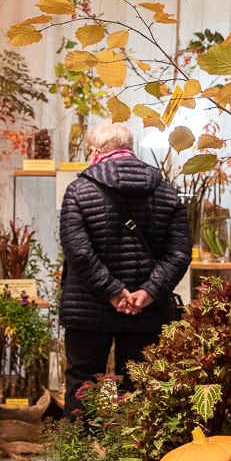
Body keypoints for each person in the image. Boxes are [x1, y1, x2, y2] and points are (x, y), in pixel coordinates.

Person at [59, 122, 192, 420]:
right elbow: (180, 252)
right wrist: (148, 292)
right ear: (130, 149)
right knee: (139, 388)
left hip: (88, 309)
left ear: (94, 151)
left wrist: (113, 293)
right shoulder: (167, 191)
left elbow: (78, 251)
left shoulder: (79, 190)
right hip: (147, 312)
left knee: (82, 385)